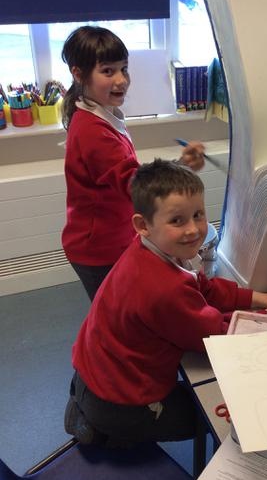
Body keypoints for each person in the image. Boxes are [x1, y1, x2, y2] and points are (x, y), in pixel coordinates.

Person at [64, 159, 267, 448]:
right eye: (177, 221)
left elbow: (203, 287)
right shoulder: (164, 288)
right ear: (143, 225)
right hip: (119, 402)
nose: (193, 230)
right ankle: (102, 424)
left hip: (92, 373)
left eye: (198, 215)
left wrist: (261, 298)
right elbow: (216, 336)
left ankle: (89, 412)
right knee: (215, 417)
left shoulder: (150, 247)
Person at [61, 25, 205, 301]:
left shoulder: (102, 114)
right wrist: (181, 167)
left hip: (109, 237)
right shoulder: (93, 131)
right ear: (78, 74)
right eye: (108, 71)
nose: (121, 80)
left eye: (124, 69)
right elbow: (134, 184)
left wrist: (178, 166)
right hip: (99, 248)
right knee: (116, 311)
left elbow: (130, 175)